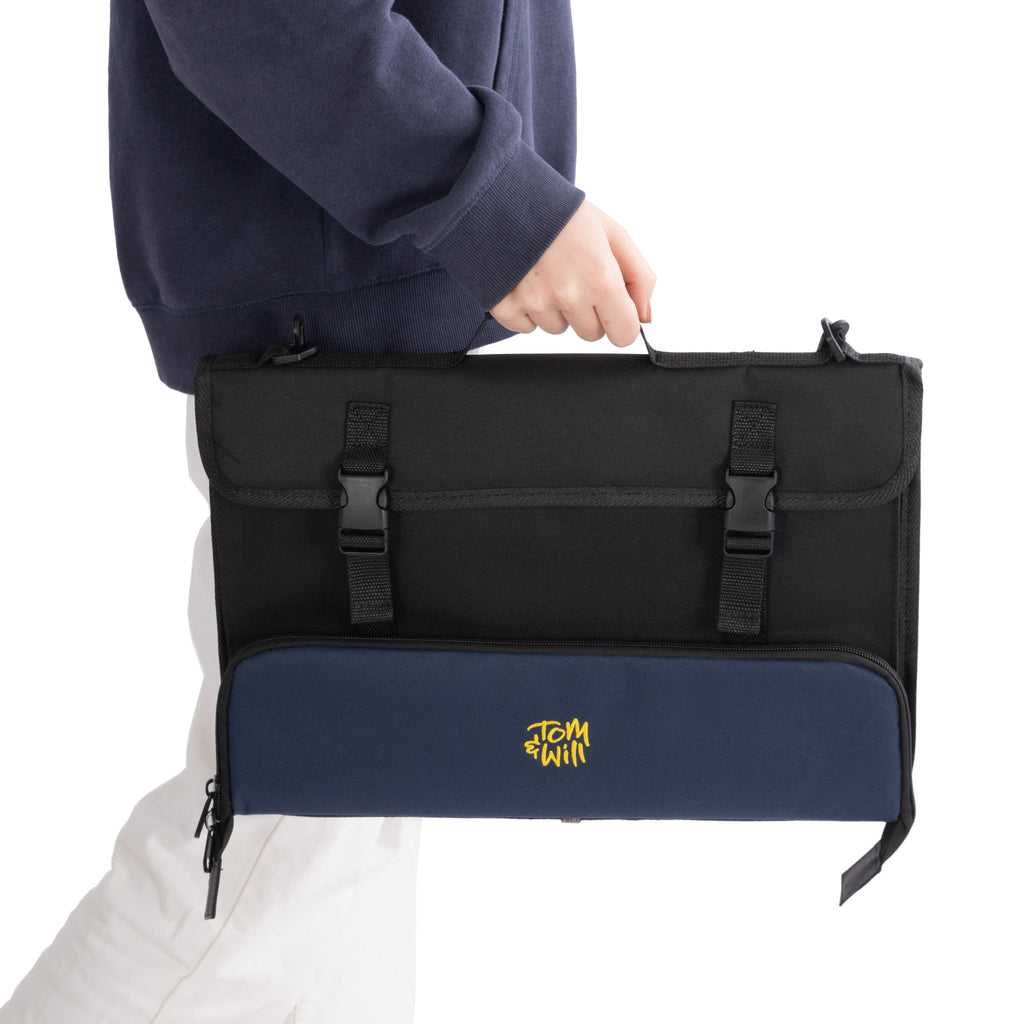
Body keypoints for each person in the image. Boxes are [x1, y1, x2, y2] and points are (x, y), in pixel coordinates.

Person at [0, 2, 655, 1021]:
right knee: (266, 870)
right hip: (334, 326)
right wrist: (494, 203)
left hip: (374, 301)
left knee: (339, 880)